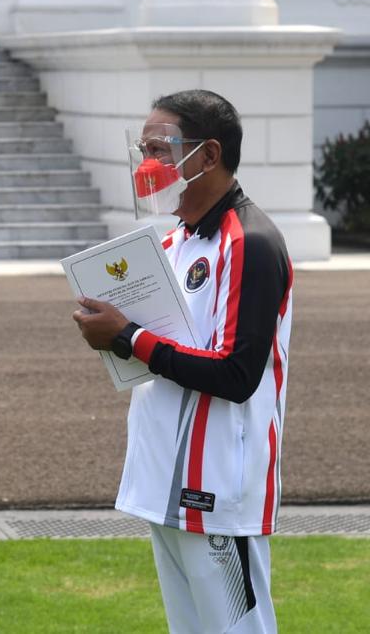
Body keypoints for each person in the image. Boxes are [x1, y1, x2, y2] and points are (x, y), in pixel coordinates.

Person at [72, 90, 292, 633]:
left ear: (209, 155)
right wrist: (114, 332)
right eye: (144, 148)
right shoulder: (174, 239)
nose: (149, 164)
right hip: (164, 477)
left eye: (162, 148)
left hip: (218, 483)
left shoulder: (250, 242)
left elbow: (237, 375)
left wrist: (128, 337)